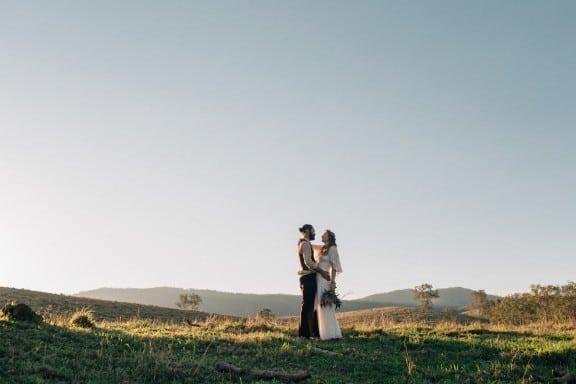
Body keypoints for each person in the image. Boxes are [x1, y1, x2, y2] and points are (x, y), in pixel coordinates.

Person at [297, 224, 330, 338]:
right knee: (307, 305)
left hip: (306, 277)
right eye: (313, 231)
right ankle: (304, 334)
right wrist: (322, 271)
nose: (315, 233)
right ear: (307, 231)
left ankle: (309, 332)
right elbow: (308, 262)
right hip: (307, 277)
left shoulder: (305, 243)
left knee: (310, 305)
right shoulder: (305, 244)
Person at [313, 230, 343, 340]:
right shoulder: (322, 248)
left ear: (329, 237)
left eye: (324, 234)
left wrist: (333, 282)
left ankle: (330, 333)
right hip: (318, 278)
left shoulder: (332, 249)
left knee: (326, 304)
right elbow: (310, 245)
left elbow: (334, 267)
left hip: (325, 279)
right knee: (319, 305)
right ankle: (321, 331)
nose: (321, 235)